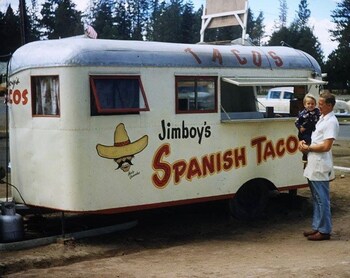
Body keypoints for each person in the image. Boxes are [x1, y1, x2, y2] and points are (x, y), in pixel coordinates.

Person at [299, 91, 339, 241]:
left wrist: (308, 148)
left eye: (321, 104)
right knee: (316, 198)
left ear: (329, 105)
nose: (318, 107)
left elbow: (326, 146)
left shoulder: (331, 122)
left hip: (321, 163)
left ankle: (324, 230)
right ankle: (317, 226)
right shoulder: (322, 118)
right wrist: (303, 143)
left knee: (322, 198)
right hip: (314, 161)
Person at [295, 94, 320, 163]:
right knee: (306, 141)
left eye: (312, 104)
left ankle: (312, 155)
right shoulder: (302, 113)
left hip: (313, 129)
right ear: (305, 105)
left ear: (315, 104)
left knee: (314, 141)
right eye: (308, 104)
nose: (310, 105)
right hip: (305, 130)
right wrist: (300, 127)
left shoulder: (317, 112)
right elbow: (296, 122)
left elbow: (320, 118)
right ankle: (305, 155)